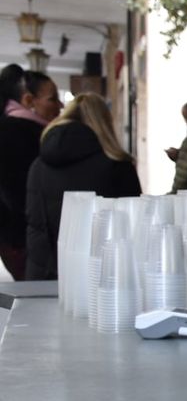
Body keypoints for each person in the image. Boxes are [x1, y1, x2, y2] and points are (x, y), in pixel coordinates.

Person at [24, 92, 143, 280]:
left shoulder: (38, 165)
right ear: (105, 123)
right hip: (103, 277)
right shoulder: (117, 166)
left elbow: (34, 219)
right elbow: (134, 224)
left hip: (43, 273)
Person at [0, 65, 63, 279]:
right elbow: (14, 194)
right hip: (23, 239)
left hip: (23, 237)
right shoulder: (14, 132)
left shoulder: (27, 130)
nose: (60, 105)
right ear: (28, 100)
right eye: (52, 99)